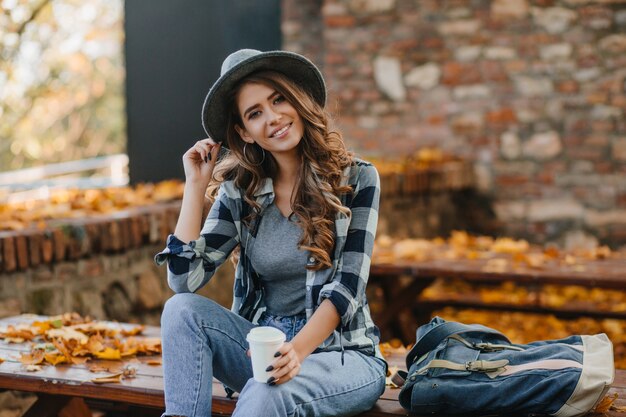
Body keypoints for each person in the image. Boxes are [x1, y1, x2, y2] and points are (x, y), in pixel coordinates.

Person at [155, 49, 387, 417]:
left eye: (278, 99)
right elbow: (184, 281)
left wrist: (297, 351)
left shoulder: (357, 179)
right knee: (180, 311)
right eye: (255, 113)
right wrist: (194, 188)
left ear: (297, 100)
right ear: (244, 132)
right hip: (263, 347)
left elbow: (347, 287)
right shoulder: (240, 192)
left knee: (266, 396)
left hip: (341, 355)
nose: (273, 117)